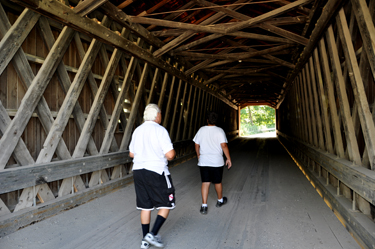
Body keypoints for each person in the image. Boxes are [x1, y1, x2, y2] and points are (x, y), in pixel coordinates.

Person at [129, 103, 176, 249]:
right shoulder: (160, 130)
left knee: (145, 207)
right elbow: (169, 155)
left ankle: (144, 241)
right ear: (157, 115)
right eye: (160, 113)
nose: (161, 116)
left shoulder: (137, 130)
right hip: (156, 171)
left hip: (138, 171)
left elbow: (131, 153)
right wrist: (172, 153)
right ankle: (152, 234)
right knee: (167, 204)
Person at [193, 111, 232, 215]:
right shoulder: (220, 131)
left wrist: (198, 155)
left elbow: (196, 144)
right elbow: (224, 146)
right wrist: (228, 158)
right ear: (216, 121)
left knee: (205, 183)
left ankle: (204, 206)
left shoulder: (201, 130)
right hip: (217, 162)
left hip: (204, 161)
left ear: (207, 120)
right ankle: (220, 201)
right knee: (217, 182)